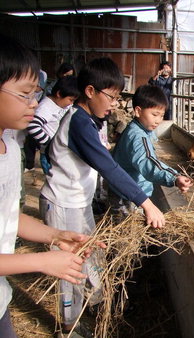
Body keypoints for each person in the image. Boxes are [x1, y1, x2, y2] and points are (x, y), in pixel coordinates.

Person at [39, 57, 168, 336]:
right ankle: (68, 327)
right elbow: (108, 167)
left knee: (90, 255)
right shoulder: (80, 123)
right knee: (69, 267)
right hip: (63, 203)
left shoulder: (90, 120)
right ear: (90, 92)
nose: (114, 104)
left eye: (118, 97)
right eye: (110, 96)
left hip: (78, 200)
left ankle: (96, 306)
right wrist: (146, 203)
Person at [0, 33, 102, 338]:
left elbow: (8, 218)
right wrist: (43, 260)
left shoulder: (10, 147)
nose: (35, 102)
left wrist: (55, 235)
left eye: (36, 92)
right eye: (24, 93)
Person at [112, 85, 192, 212]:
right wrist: (174, 178)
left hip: (122, 190)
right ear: (138, 111)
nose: (158, 120)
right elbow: (148, 162)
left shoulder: (135, 129)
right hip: (130, 197)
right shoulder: (138, 137)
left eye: (162, 115)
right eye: (155, 114)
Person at [27, 75, 79, 174]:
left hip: (59, 152)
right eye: (70, 100)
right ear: (59, 94)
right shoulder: (46, 106)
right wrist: (49, 143)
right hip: (49, 154)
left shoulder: (61, 104)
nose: (71, 103)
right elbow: (32, 125)